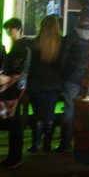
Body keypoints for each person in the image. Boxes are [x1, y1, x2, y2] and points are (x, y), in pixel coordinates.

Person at [57, 5, 89, 152]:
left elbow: (63, 59)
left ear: (79, 18)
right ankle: (87, 143)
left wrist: (65, 74)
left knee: (69, 110)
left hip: (72, 78)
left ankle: (66, 143)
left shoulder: (70, 36)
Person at [27, 15, 64, 153]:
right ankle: (47, 144)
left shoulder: (35, 42)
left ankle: (35, 144)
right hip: (55, 83)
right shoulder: (61, 42)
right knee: (50, 114)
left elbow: (30, 65)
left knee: (38, 114)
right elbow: (63, 63)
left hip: (37, 83)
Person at [0, 18, 30, 168]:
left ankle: (14, 158)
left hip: (14, 90)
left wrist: (4, 87)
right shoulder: (24, 46)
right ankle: (15, 157)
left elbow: (15, 74)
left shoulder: (19, 48)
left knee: (14, 124)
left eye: (10, 28)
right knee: (15, 124)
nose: (8, 31)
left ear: (18, 29)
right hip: (19, 88)